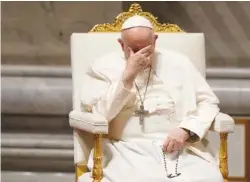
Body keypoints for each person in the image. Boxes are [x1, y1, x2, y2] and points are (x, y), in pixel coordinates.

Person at [79, 15, 223, 182]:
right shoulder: (103, 67)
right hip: (126, 149)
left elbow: (208, 102)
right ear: (121, 44)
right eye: (133, 49)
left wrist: (186, 130)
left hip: (178, 148)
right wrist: (127, 77)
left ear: (155, 40)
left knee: (209, 178)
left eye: (146, 48)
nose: (140, 55)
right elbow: (99, 114)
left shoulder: (180, 63)